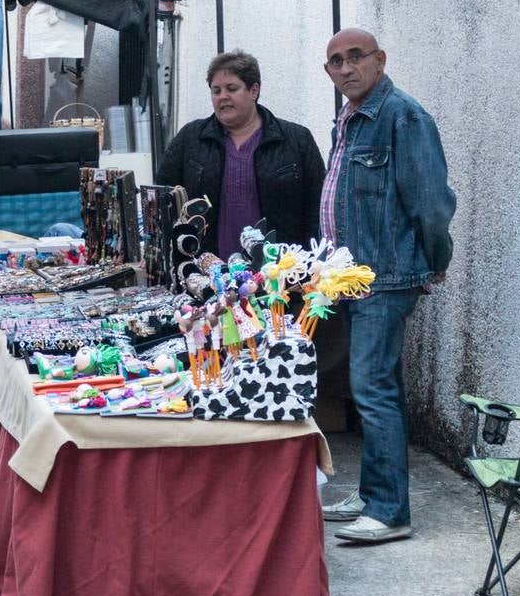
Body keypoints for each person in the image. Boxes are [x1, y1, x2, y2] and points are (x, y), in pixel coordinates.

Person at [318, 29, 455, 544]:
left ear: (380, 60)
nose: (346, 67)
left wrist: (433, 260)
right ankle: (375, 492)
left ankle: (391, 510)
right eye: (335, 61)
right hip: (350, 275)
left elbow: (432, 201)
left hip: (385, 275)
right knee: (375, 387)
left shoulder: (403, 115)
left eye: (356, 57)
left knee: (372, 390)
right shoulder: (351, 119)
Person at [155, 50, 326, 259]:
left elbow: (318, 207)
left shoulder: (296, 139)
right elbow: (163, 198)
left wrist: (308, 264)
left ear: (254, 90)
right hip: (207, 270)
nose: (222, 97)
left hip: (278, 274)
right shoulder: (190, 139)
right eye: (216, 91)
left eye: (231, 88)